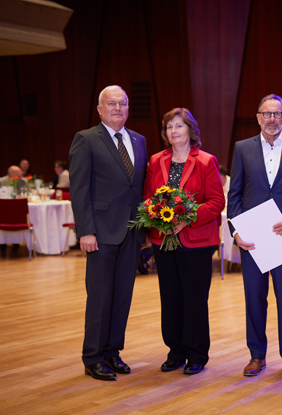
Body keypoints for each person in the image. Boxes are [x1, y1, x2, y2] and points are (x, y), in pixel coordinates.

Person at [227, 94, 282, 378]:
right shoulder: (242, 148)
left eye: (277, 114)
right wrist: (236, 231)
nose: (272, 119)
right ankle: (256, 356)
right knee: (254, 298)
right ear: (258, 117)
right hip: (252, 239)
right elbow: (235, 194)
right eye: (267, 114)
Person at [69, 85, 147, 381]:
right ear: (100, 109)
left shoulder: (139, 140)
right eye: (111, 104)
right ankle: (93, 357)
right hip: (100, 233)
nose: (117, 108)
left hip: (131, 233)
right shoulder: (86, 139)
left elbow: (137, 187)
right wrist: (86, 231)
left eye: (122, 103)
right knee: (100, 297)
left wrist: (143, 229)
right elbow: (79, 189)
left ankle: (113, 352)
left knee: (122, 296)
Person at [143, 108, 225, 375]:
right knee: (170, 297)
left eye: (179, 126)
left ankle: (197, 354)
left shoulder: (206, 161)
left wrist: (186, 220)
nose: (174, 131)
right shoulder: (156, 160)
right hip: (163, 239)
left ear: (190, 129)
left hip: (196, 241)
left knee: (195, 298)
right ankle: (175, 352)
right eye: (169, 127)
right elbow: (148, 197)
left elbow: (216, 202)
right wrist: (157, 217)